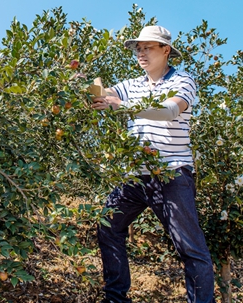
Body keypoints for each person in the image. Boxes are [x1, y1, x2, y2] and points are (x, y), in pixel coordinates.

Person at [91, 25, 215, 303]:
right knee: (108, 226)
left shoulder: (183, 81)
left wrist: (122, 106)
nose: (141, 53)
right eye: (138, 48)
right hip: (136, 176)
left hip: (172, 174)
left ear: (166, 50)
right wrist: (90, 84)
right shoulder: (130, 85)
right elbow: (104, 93)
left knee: (190, 248)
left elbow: (170, 110)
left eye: (148, 47)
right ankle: (116, 299)